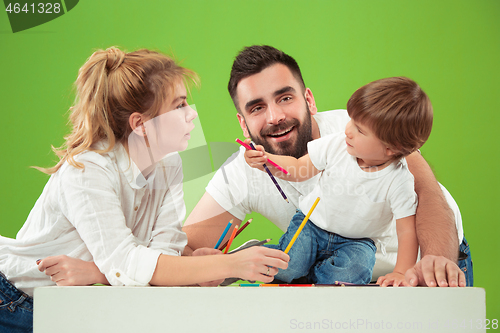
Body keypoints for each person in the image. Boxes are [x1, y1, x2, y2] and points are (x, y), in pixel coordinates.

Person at [0, 47, 289, 333]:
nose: (191, 115)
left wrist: (189, 265)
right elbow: (126, 265)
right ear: (140, 124)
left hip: (75, 305)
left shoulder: (169, 166)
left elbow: (160, 256)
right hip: (16, 300)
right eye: (179, 106)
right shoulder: (88, 171)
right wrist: (228, 266)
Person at [183, 45, 472, 288]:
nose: (275, 117)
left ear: (309, 100)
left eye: (285, 98)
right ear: (243, 124)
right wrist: (202, 266)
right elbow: (187, 247)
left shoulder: (366, 128)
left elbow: (427, 193)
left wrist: (438, 262)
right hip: (336, 282)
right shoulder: (242, 170)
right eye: (257, 108)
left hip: (420, 270)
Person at [244, 76, 433, 286]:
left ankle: (309, 275)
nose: (348, 130)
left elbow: (407, 231)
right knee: (288, 266)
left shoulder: (399, 181)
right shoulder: (337, 145)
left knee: (352, 275)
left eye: (360, 130)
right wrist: (268, 160)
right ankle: (246, 259)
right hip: (312, 225)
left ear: (391, 148)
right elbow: (298, 169)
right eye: (351, 120)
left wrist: (400, 272)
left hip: (357, 242)